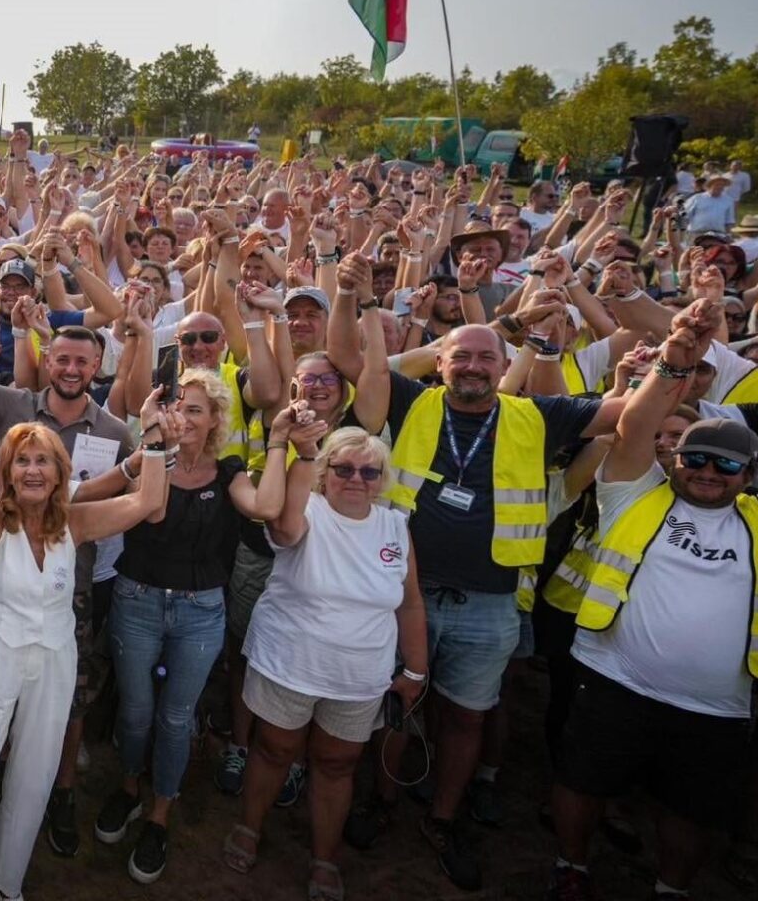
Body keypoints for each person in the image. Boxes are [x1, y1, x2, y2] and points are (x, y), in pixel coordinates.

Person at [330, 317, 619, 890]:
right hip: (404, 593)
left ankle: (443, 818)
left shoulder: (536, 415)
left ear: (502, 366)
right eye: (460, 356)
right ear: (440, 363)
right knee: (398, 704)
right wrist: (355, 296)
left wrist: (669, 364)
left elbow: (623, 415)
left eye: (487, 358)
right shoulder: (412, 401)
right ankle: (384, 798)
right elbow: (347, 361)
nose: (472, 367)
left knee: (467, 715)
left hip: (491, 602)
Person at [0, 390, 168, 901]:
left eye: (43, 462)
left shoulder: (75, 522)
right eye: (22, 462)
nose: (33, 471)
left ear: (60, 473)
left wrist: (154, 436)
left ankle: (7, 881)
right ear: (8, 472)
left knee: (33, 779)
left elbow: (148, 501)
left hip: (54, 660)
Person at [547, 309, 758, 901]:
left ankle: (672, 888)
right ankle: (571, 867)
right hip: (612, 677)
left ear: (748, 474)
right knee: (580, 780)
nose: (709, 471)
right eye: (696, 458)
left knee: (688, 811)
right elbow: (637, 426)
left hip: (715, 706)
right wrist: (675, 362)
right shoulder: (633, 492)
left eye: (727, 464)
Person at [92, 368, 285, 884]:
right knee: (135, 713)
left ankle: (160, 812)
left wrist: (287, 447)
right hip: (137, 600)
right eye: (177, 406)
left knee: (176, 718)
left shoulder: (229, 471)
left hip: (201, 609)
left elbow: (265, 509)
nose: (184, 416)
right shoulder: (147, 459)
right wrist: (152, 440)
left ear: (216, 420)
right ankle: (130, 787)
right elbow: (147, 512)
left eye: (195, 409)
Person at [224, 424, 429, 901]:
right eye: (342, 468)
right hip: (291, 662)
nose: (356, 479)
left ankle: (323, 857)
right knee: (274, 748)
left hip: (359, 675)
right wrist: (305, 451)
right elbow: (284, 529)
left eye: (369, 471)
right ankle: (250, 827)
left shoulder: (396, 526)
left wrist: (415, 669)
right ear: (323, 473)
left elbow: (410, 602)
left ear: (382, 478)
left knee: (338, 764)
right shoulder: (304, 510)